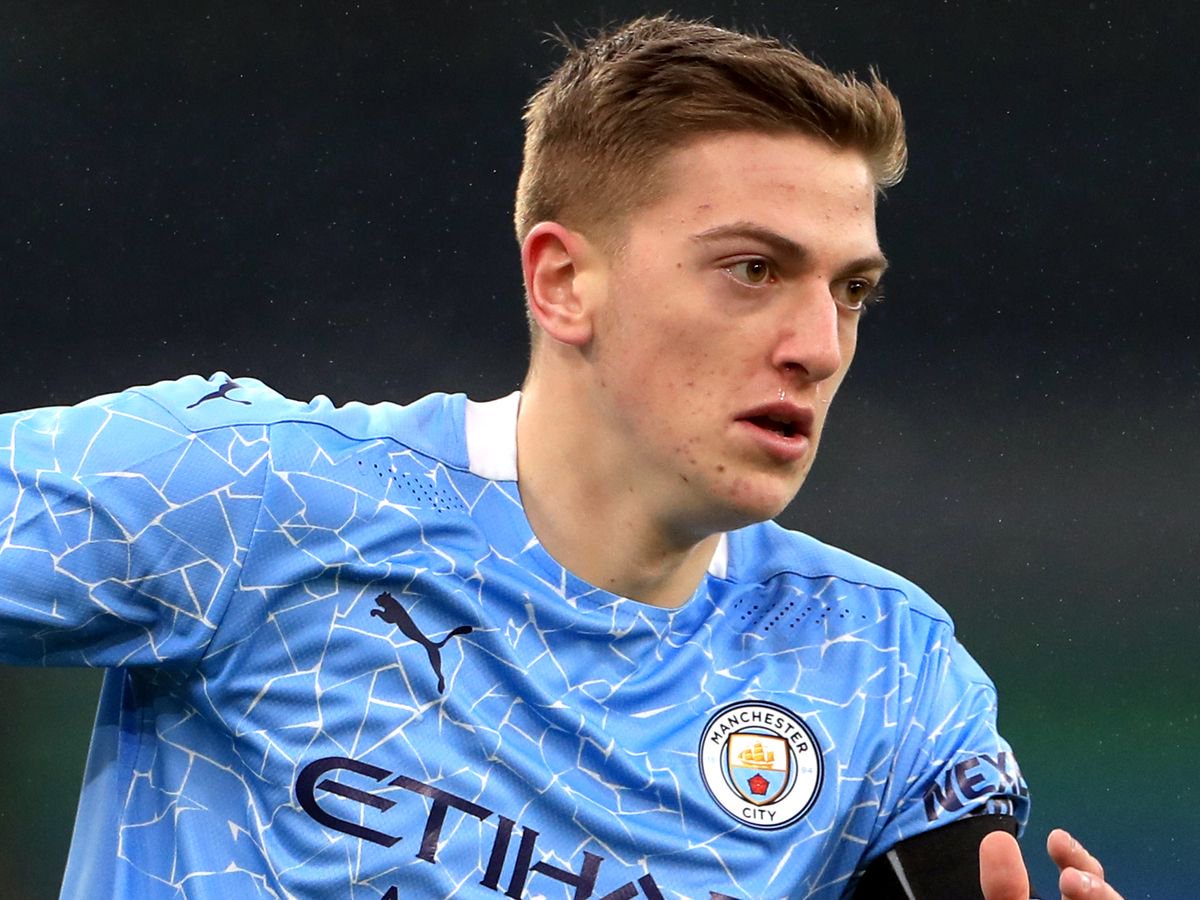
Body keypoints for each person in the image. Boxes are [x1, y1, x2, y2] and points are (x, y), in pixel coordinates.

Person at [0, 15, 1118, 900]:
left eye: (852, 291)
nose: (819, 348)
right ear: (563, 282)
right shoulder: (249, 495)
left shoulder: (885, 674)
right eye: (751, 271)